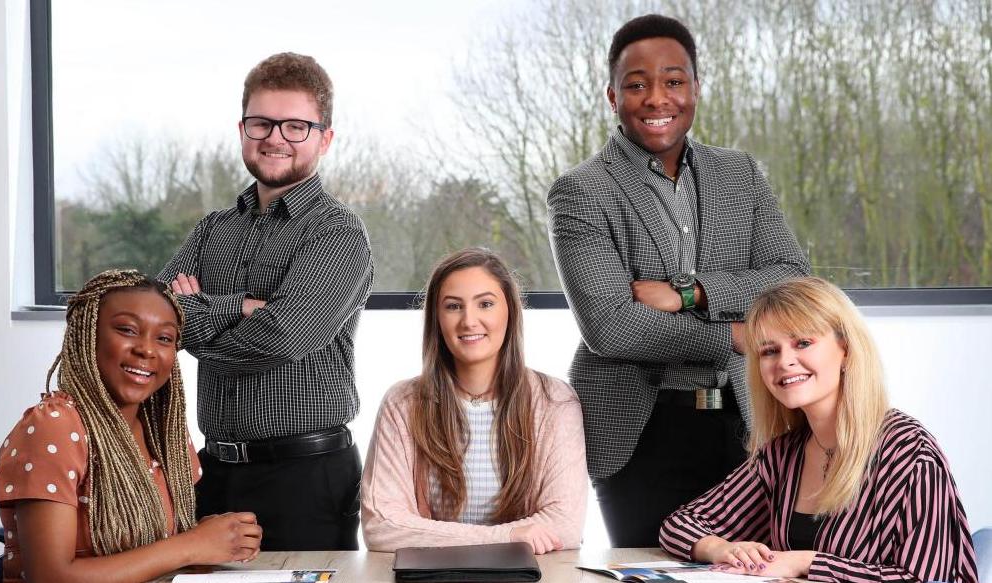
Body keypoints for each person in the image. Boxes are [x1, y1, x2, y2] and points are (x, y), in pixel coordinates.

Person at [546, 14, 810, 546]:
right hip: (638, 429)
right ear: (611, 95)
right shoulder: (580, 192)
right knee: (650, 571)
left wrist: (690, 292)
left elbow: (791, 280)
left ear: (695, 88)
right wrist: (733, 334)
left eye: (673, 81)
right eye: (636, 84)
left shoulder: (741, 175)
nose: (656, 98)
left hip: (748, 417)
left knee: (753, 568)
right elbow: (611, 327)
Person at [158, 53, 374, 551]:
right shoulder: (211, 230)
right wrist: (243, 307)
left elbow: (282, 337)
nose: (275, 137)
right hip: (211, 473)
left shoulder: (338, 233)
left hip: (307, 477)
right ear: (242, 130)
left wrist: (200, 319)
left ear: (324, 139)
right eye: (262, 122)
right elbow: (157, 322)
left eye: (296, 126)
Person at [660, 277, 978, 582]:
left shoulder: (910, 455)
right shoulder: (783, 454)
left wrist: (805, 562)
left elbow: (929, 579)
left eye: (803, 343)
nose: (785, 362)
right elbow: (680, 525)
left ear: (846, 350)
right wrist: (722, 548)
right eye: (769, 351)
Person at [0, 270, 262, 583]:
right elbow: (51, 577)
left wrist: (211, 538)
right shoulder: (55, 426)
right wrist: (192, 545)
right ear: (88, 335)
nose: (146, 349)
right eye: (127, 330)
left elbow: (160, 547)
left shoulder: (164, 431)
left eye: (164, 338)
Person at [361, 248, 587, 554]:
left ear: (510, 311)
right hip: (435, 575)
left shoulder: (554, 401)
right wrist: (508, 537)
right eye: (454, 306)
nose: (469, 320)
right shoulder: (402, 403)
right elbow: (382, 526)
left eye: (486, 304)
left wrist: (435, 537)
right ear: (436, 319)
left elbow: (565, 526)